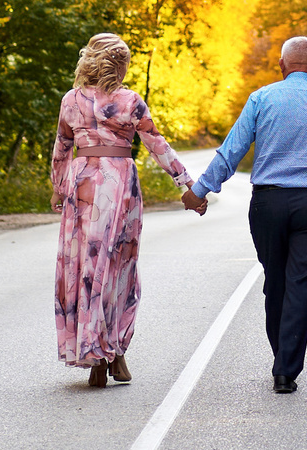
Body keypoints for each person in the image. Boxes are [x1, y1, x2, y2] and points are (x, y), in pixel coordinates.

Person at [183, 35, 307, 393]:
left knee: (277, 281)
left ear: (282, 66)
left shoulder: (261, 98)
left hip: (268, 204)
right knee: (301, 286)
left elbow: (232, 149)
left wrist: (200, 190)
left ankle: (282, 356)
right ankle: (285, 369)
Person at [52, 32, 205, 388]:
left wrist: (59, 189)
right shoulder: (130, 101)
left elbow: (62, 149)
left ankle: (103, 352)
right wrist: (186, 183)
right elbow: (156, 144)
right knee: (117, 267)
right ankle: (111, 350)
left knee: (87, 267)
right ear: (118, 65)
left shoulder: (71, 100)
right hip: (118, 185)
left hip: (83, 184)